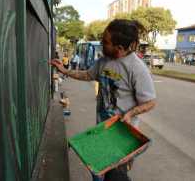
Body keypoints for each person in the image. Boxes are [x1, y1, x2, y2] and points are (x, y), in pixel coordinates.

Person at [51, 19, 156, 181]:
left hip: (122, 135)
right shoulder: (103, 61)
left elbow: (150, 102)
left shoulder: (137, 68)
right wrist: (65, 70)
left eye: (105, 42)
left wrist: (130, 113)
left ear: (119, 48)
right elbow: (87, 75)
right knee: (97, 172)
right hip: (101, 130)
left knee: (115, 176)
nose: (101, 44)